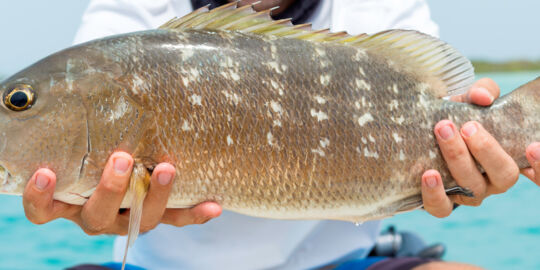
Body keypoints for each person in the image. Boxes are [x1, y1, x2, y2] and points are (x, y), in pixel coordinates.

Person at [21, 0, 540, 269]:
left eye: (19, 101)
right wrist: (87, 205)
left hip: (348, 262)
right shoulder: (126, 22)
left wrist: (473, 162)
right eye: (18, 101)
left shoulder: (378, 7)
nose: (18, 108)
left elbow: (442, 86)